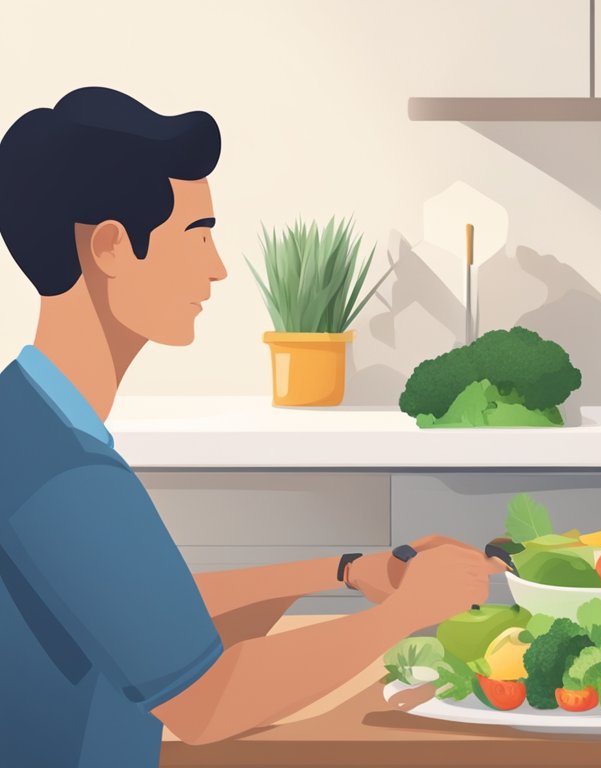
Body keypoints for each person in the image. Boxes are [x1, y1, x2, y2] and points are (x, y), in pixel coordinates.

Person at [0, 87, 505, 766]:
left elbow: (152, 617)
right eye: (197, 235)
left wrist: (346, 571)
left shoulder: (29, 420)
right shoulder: (64, 475)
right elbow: (207, 705)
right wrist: (405, 614)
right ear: (113, 247)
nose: (217, 268)